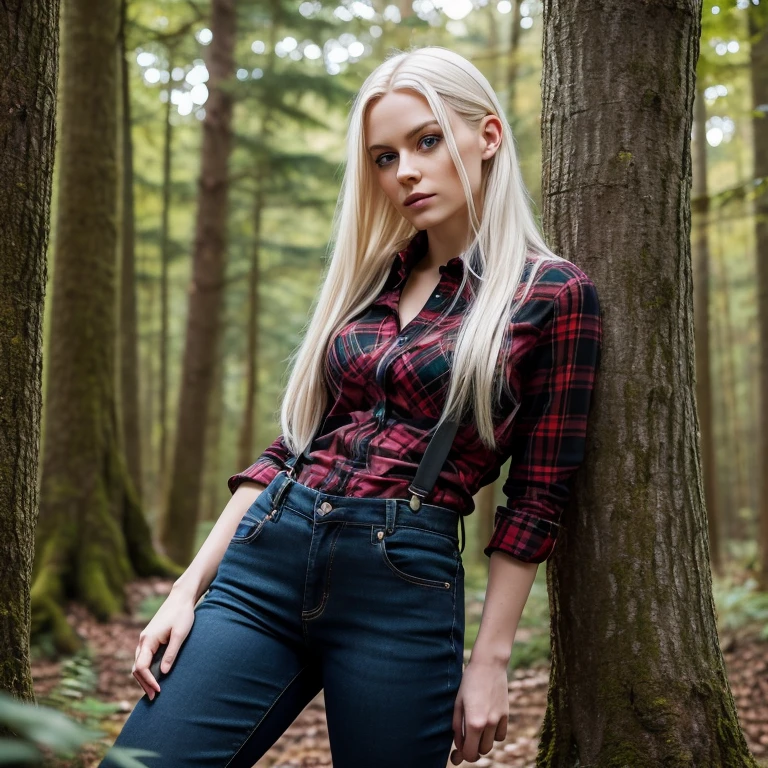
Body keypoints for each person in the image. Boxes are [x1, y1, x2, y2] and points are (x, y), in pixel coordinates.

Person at [99, 45, 602, 768]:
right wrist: (186, 589)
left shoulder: (551, 295)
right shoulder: (369, 281)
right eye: (383, 157)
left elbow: (536, 499)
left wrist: (490, 662)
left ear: (487, 136)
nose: (406, 171)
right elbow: (291, 446)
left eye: (426, 141)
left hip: (399, 583)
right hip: (266, 560)